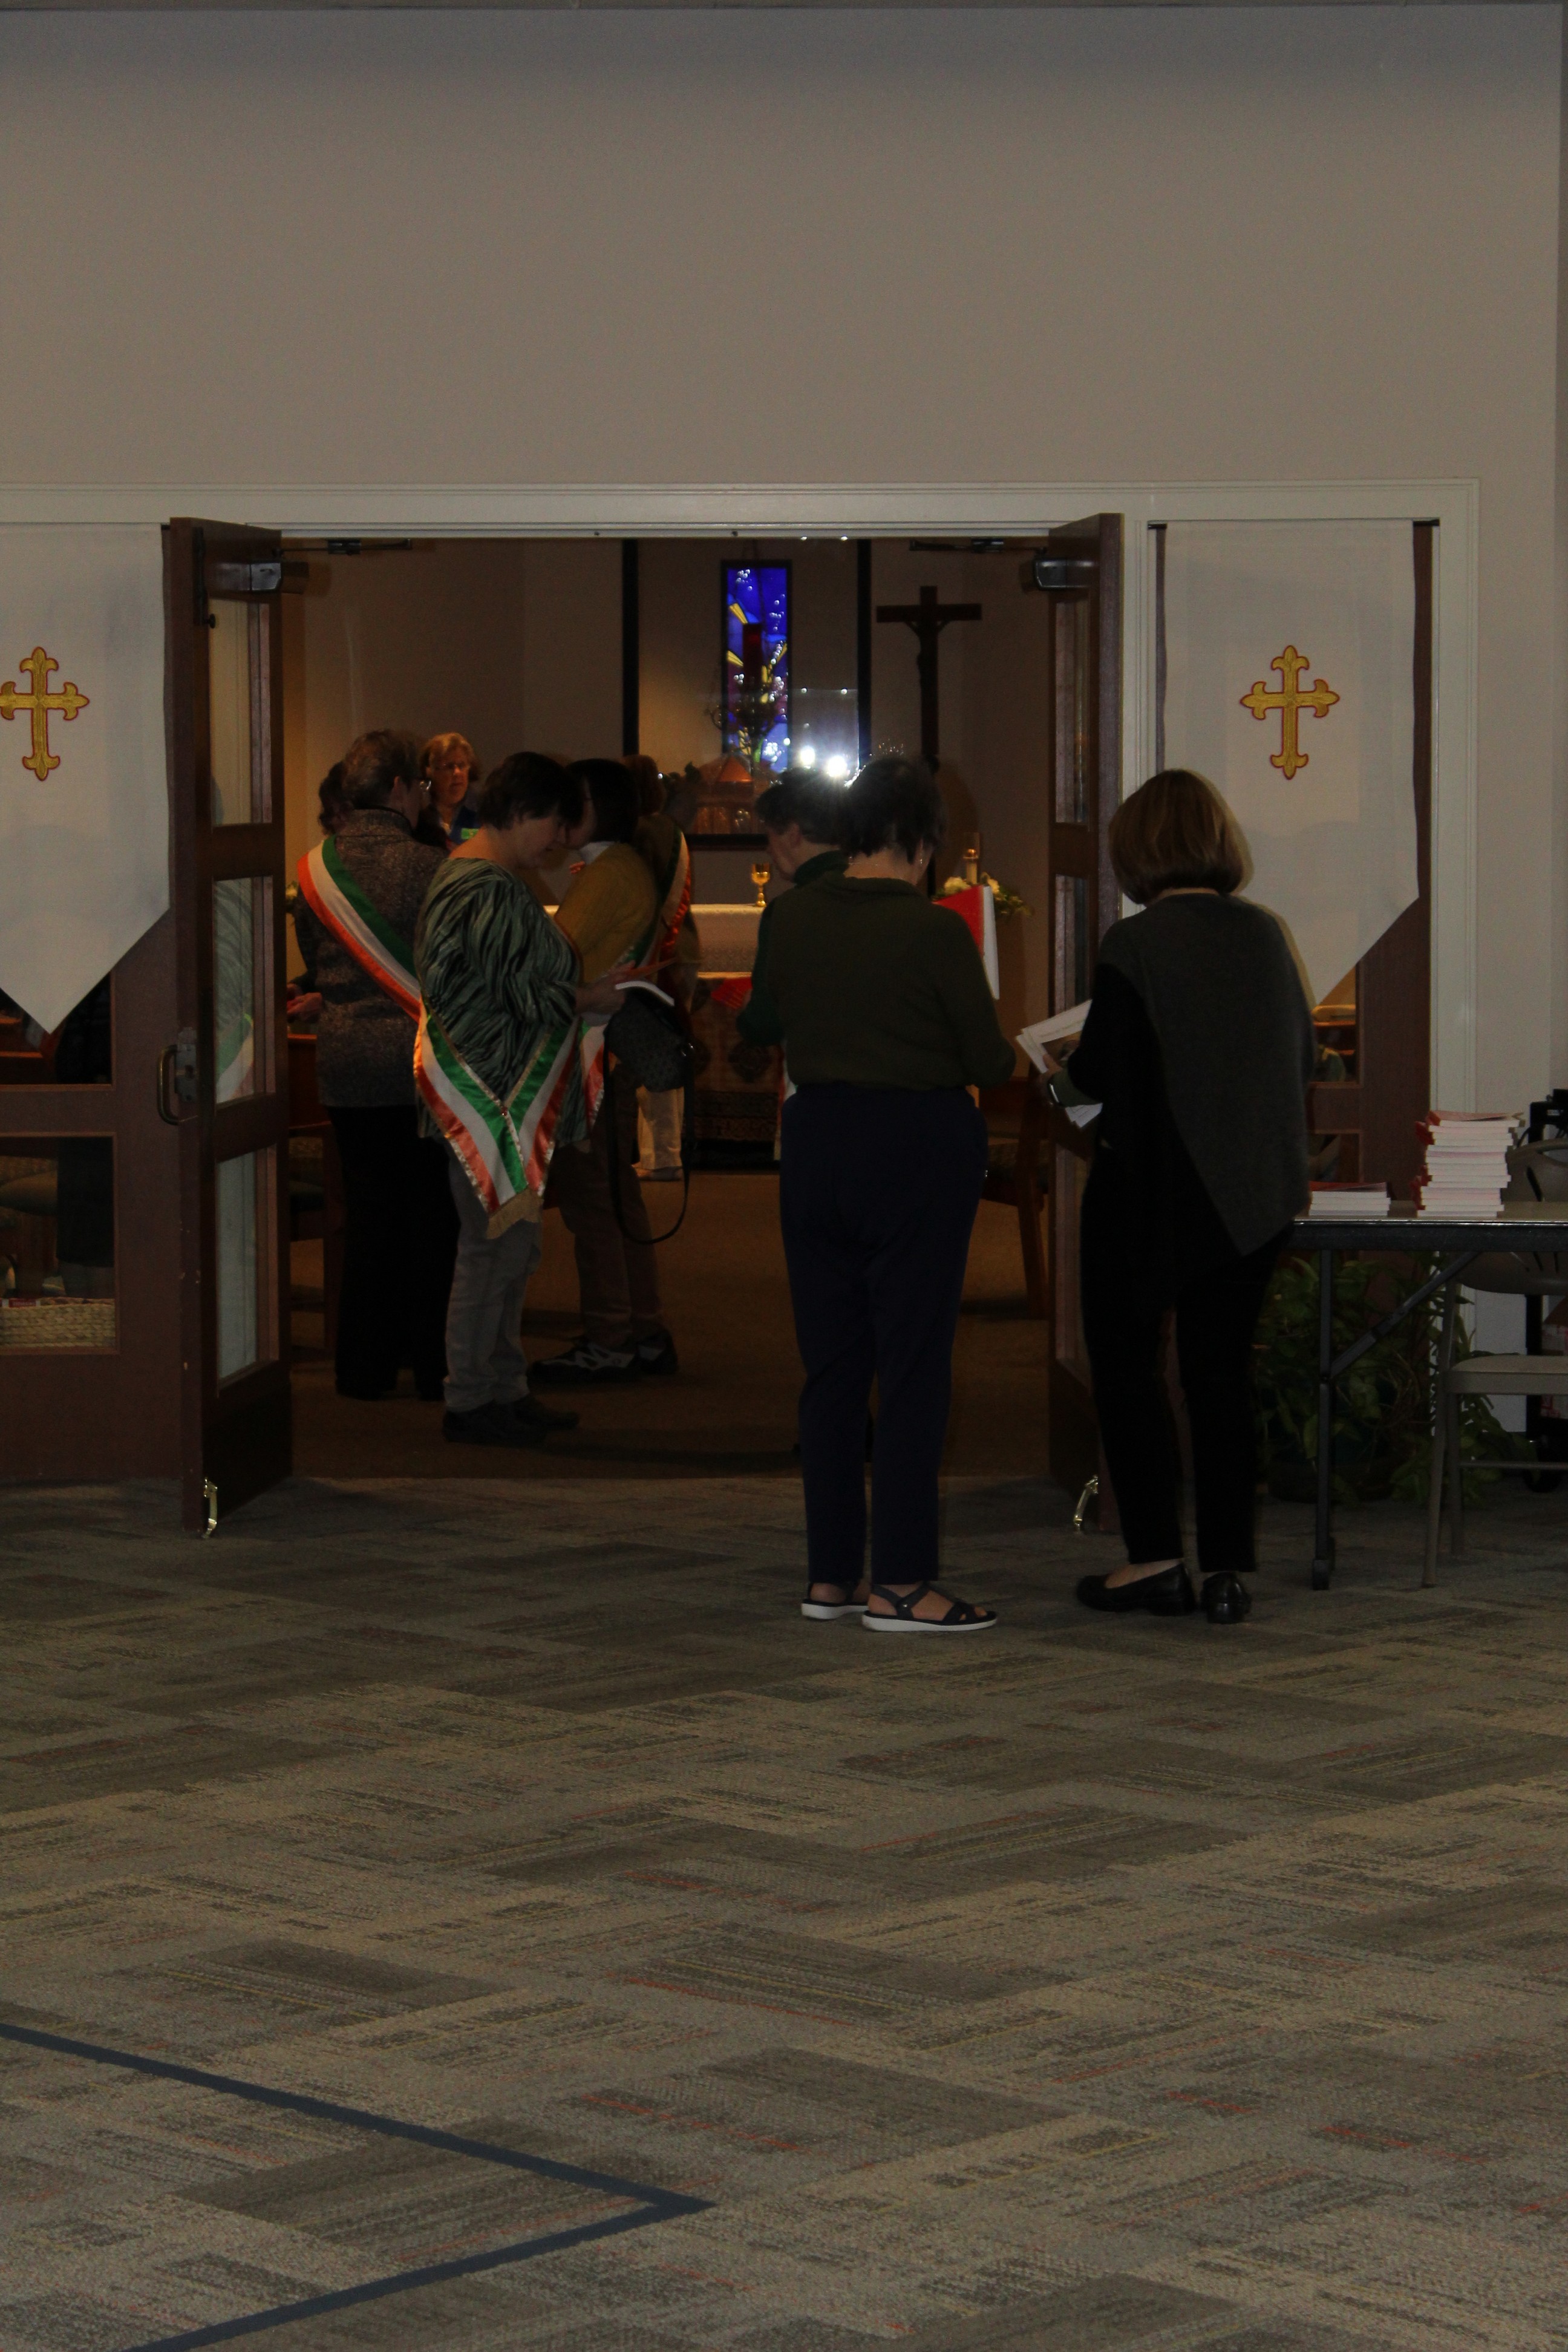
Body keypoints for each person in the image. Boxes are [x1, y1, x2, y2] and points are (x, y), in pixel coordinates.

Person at [750, 754, 1014, 1633]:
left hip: (816, 1141)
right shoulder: (934, 931)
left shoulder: (791, 917)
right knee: (910, 1368)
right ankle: (901, 1582)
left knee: (832, 1368)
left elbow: (770, 1021)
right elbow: (987, 1062)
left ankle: (830, 1576)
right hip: (913, 1148)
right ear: (923, 842)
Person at [1049, 768, 1315, 1628]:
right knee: (1220, 1378)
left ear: (1136, 852)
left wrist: (1058, 1071)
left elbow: (1110, 1076)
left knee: (1128, 1370)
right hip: (1253, 1195)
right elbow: (1303, 1059)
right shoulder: (1265, 934)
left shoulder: (1137, 944)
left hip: (1151, 1191)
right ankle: (1228, 1571)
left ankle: (1157, 1561)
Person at [292, 730, 457, 1401]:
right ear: (397, 789)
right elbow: (450, 964)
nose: (423, 798)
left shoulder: (314, 869)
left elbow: (317, 963)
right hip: (418, 1062)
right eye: (420, 786)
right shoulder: (428, 866)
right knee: (431, 1216)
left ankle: (362, 1369)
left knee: (368, 1216)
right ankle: (433, 1365)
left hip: (345, 1060)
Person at [534, 758, 679, 1386]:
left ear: (602, 808)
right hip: (603, 1052)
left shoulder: (610, 872)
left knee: (593, 1202)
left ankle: (611, 1336)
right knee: (616, 1196)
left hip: (589, 1054)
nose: (563, 812)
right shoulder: (619, 866)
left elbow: (553, 957)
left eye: (576, 800)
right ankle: (641, 1327)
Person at [736, 768, 848, 1050]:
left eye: (770, 835)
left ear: (794, 834)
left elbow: (765, 1023)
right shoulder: (876, 893)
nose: (768, 849)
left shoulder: (788, 913)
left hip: (817, 1067)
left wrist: (748, 1012)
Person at [422, 732, 483, 844]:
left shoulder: (484, 810)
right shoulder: (419, 811)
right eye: (449, 767)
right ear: (431, 771)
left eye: (462, 765)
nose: (457, 773)